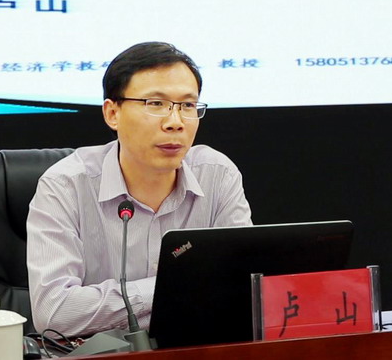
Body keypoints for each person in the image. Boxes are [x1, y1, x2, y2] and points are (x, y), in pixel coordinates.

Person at [26, 41, 252, 337]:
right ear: (112, 113)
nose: (175, 123)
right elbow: (54, 313)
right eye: (155, 104)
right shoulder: (64, 186)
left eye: (187, 106)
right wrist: (175, 288)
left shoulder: (217, 175)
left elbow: (244, 289)